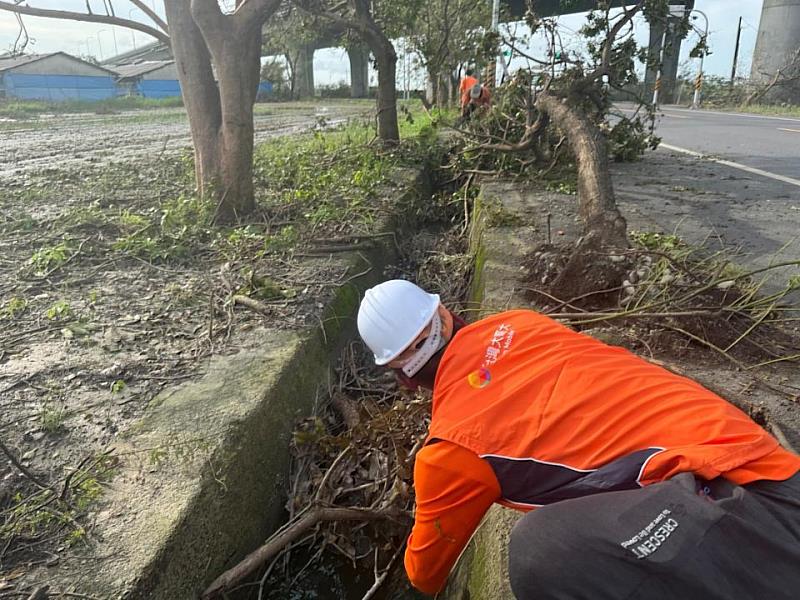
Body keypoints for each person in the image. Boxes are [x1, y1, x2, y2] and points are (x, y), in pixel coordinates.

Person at [356, 279, 800, 599]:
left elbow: (425, 575)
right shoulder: (521, 323)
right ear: (446, 314)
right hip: (771, 469)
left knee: (542, 549)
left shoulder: (451, 451)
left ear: (402, 376)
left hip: (747, 523)